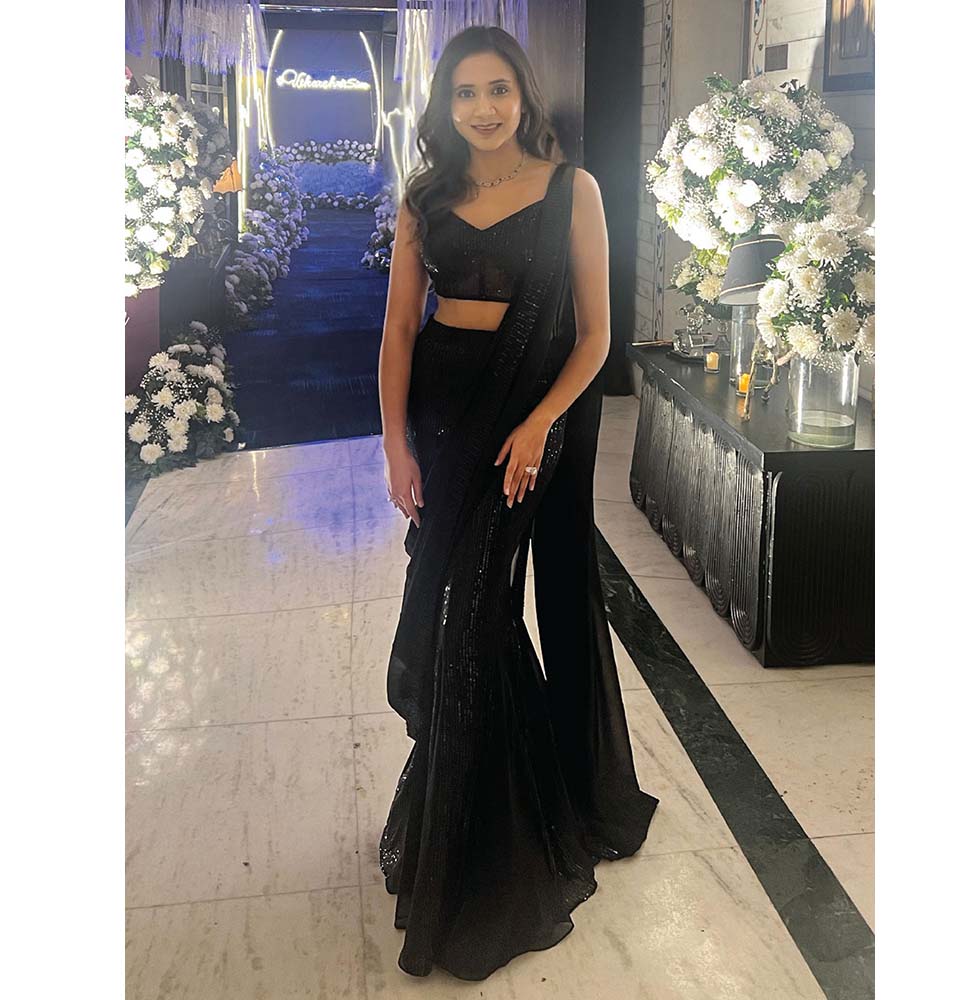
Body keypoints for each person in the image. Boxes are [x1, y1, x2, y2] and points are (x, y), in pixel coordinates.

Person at [376, 24, 659, 981]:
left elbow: (596, 336)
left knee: (479, 615)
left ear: (524, 96)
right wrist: (394, 443)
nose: (483, 108)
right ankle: (475, 812)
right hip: (446, 412)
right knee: (452, 604)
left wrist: (539, 424)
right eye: (465, 93)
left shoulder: (572, 189)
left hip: (535, 416)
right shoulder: (425, 198)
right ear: (444, 106)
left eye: (498, 89)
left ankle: (495, 836)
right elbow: (399, 332)